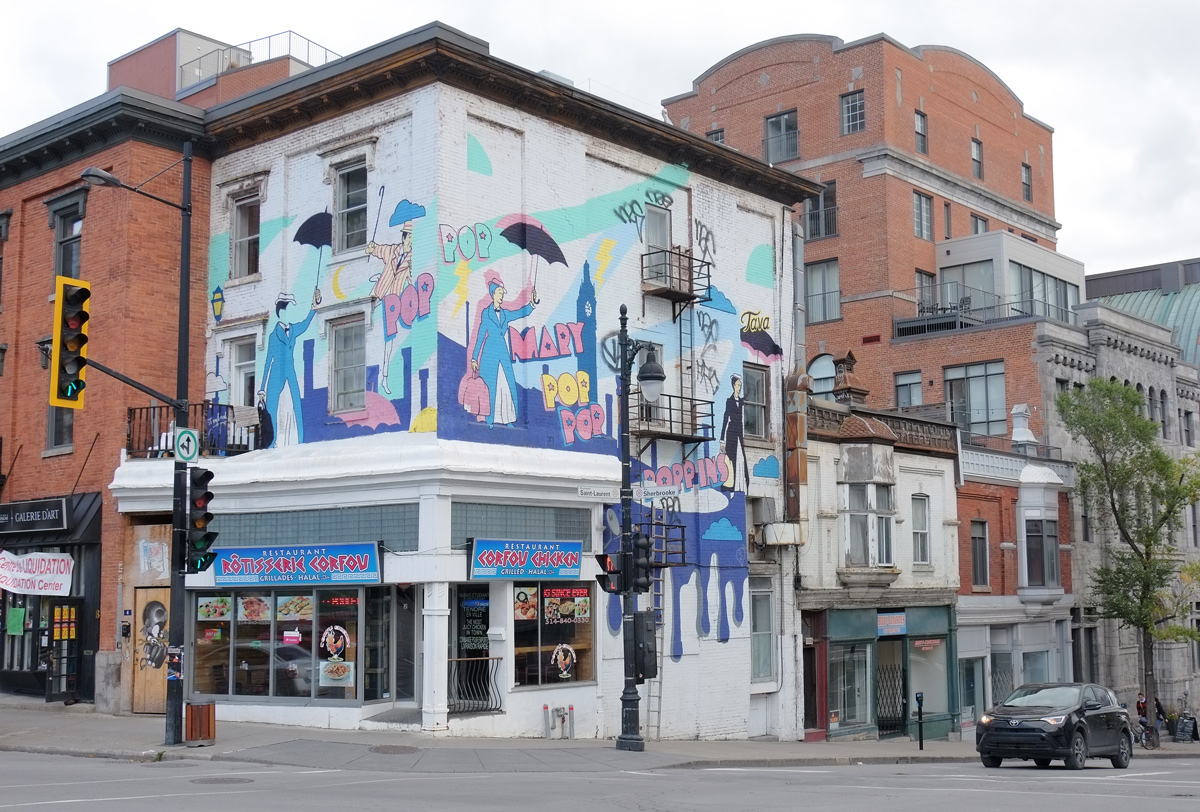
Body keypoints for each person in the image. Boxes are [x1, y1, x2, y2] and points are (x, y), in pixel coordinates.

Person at [470, 281, 536, 427]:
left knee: (506, 384)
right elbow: (481, 335)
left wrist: (531, 304)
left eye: (502, 293)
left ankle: (508, 419)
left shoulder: (505, 314)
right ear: (493, 294)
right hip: (489, 353)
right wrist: (475, 358)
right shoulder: (486, 314)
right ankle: (490, 419)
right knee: (490, 386)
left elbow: (519, 313)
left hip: (502, 352)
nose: (501, 296)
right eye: (499, 293)